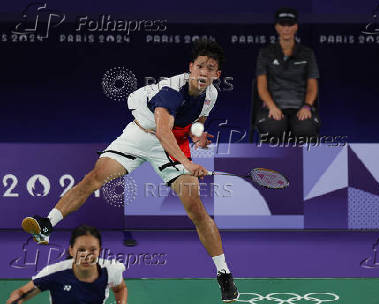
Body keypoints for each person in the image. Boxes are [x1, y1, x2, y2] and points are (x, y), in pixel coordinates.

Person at [20, 39, 239, 302]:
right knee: (94, 178)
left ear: (217, 75)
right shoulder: (171, 91)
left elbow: (198, 120)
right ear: (191, 67)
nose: (204, 72)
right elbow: (162, 131)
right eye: (200, 66)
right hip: (141, 134)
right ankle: (47, 224)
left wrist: (199, 136)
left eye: (210, 68)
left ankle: (224, 273)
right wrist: (189, 163)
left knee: (195, 207)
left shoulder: (211, 94)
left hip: (173, 141)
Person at [7, 225, 127, 304]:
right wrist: (15, 299)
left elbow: (120, 289)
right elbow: (22, 293)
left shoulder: (111, 270)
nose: (87, 255)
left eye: (92, 250)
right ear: (71, 250)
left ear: (100, 251)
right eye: (81, 249)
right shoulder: (54, 273)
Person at [256, 7, 320, 144]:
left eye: (290, 24)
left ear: (295, 27)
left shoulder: (307, 53)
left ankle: (307, 165)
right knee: (272, 130)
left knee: (306, 131)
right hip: (273, 108)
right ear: (276, 27)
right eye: (282, 25)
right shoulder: (265, 53)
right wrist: (272, 106)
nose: (286, 29)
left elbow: (313, 87)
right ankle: (271, 165)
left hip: (300, 108)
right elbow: (261, 87)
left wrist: (307, 106)